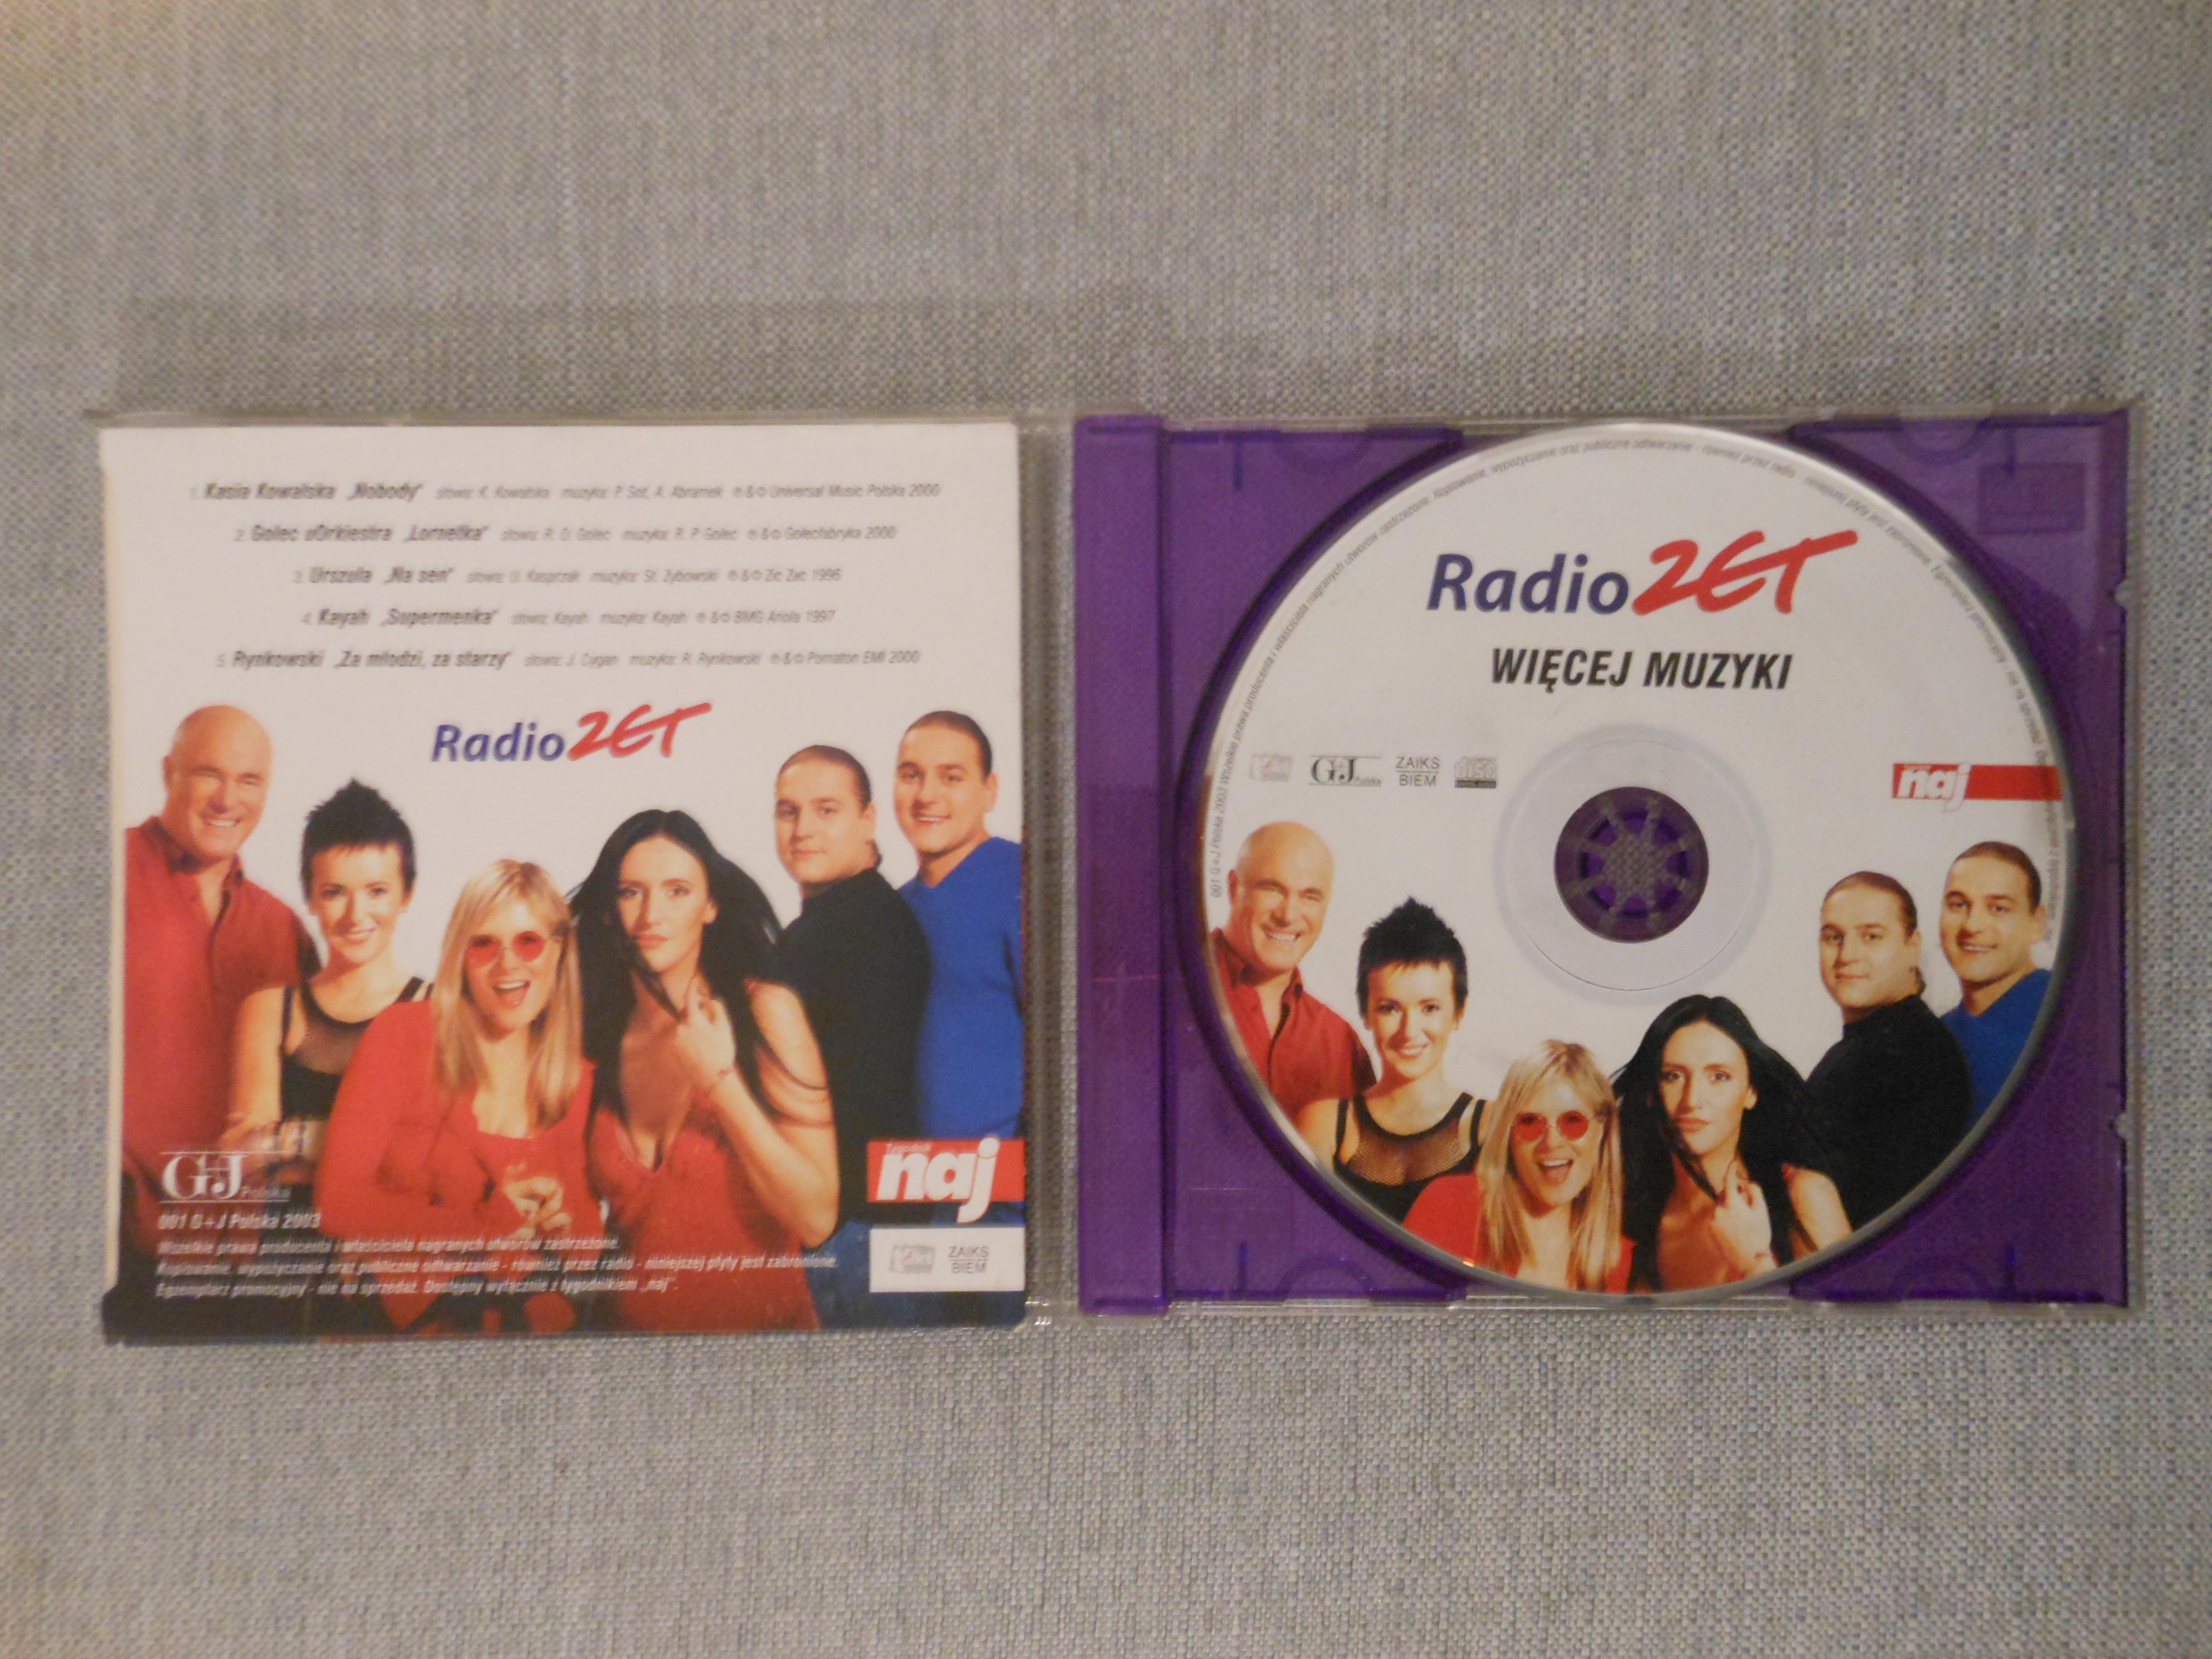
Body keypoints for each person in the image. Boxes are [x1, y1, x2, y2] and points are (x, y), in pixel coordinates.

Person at [316, 861, 602, 1335]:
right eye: (484, 944)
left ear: (559, 949)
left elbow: (587, 1238)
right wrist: (488, 1226)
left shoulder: (576, 1076)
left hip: (521, 1334)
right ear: (460, 957)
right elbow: (338, 1202)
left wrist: (563, 1225)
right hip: (397, 1334)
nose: (508, 965)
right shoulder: (404, 1035)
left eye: (528, 942)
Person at [574, 810, 832, 1332]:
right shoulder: (597, 1036)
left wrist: (721, 1082)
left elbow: (816, 1217)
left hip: (762, 1358)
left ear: (710, 905)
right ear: (608, 911)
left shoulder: (764, 1012)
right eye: (631, 892)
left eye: (677, 892)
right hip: (626, 1356)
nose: (652, 915)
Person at [114, 706, 313, 1330]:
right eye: (209, 774)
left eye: (249, 780)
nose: (228, 799)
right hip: (122, 1252)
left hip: (252, 1263)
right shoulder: (103, 874)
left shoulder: (283, 928)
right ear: (168, 772)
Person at [774, 747, 932, 1326]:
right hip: (875, 1224)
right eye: (788, 811)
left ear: (868, 819)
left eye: (826, 810)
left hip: (853, 1234)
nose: (803, 829)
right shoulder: (871, 914)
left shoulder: (838, 931)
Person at [1618, 996, 1850, 1292]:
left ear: (1751, 1092)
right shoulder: (1636, 1212)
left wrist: (1755, 1264)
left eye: (1719, 1077)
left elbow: (1851, 1320)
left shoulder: (1802, 1195)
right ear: (1651, 1093)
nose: (1692, 1100)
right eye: (1673, 1076)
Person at [1291, 899, 1478, 1225]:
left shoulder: (1494, 1126)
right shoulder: (1324, 1126)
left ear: (1459, 1012)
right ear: (1365, 1012)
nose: (1409, 1031)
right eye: (1390, 1008)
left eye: (1429, 1008)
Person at [1806, 871, 1973, 1226]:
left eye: (1871, 936)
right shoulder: (1866, 1046)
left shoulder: (1915, 1055)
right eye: (1834, 937)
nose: (1847, 955)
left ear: (1913, 946)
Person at [1403, 1040, 1631, 1294]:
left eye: (1573, 1121)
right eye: (1530, 1122)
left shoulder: (1626, 1264)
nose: (1551, 1142)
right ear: (1508, 1134)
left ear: (1602, 1130)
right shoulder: (1449, 1208)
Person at [894, 712, 1023, 1143]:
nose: (926, 795)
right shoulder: (891, 908)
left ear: (989, 791)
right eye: (911, 775)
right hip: (911, 1171)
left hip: (1004, 1171)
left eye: (951, 778)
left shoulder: (1024, 884)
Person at [1208, 821, 1375, 1111]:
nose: (1288, 915)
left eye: (1310, 897)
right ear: (1234, 888)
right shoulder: (1173, 988)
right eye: (1273, 889)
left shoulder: (1341, 1043)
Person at [1938, 841, 2053, 1122]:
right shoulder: (1935, 1036)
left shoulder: (2063, 1017)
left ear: (2037, 923)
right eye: (1959, 905)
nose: (1972, 925)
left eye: (1998, 908)